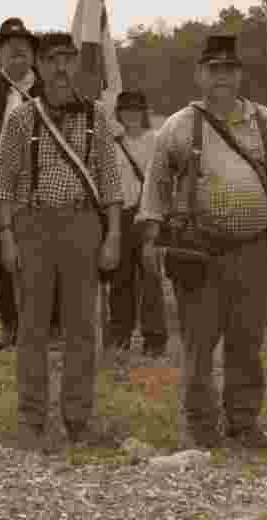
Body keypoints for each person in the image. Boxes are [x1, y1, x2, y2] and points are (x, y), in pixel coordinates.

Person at [138, 34, 267, 450]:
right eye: (213, 70)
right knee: (198, 344)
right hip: (199, 253)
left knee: (247, 342)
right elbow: (156, 184)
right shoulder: (178, 125)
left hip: (252, 251)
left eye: (228, 70)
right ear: (199, 76)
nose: (221, 78)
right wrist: (151, 238)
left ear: (240, 75)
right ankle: (201, 425)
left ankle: (243, 423)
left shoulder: (266, 122)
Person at [0, 30, 122, 448]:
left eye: (68, 59)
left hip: (83, 227)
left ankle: (78, 418)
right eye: (52, 60)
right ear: (40, 67)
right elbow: (4, 185)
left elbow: (111, 183)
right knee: (31, 328)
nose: (61, 67)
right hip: (33, 228)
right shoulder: (20, 119)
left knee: (82, 328)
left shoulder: (97, 116)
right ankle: (31, 419)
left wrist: (113, 236)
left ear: (75, 65)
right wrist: (7, 236)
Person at [0, 17, 60, 351]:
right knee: (2, 260)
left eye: (24, 51)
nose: (17, 56)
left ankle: (51, 328)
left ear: (34, 56)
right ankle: (10, 327)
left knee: (46, 256)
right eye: (10, 50)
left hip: (45, 185)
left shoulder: (51, 90)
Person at [106, 89, 167, 357]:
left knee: (151, 278)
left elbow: (164, 179)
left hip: (148, 214)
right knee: (121, 279)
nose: (131, 115)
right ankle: (120, 333)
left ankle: (154, 338)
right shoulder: (111, 143)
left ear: (144, 113)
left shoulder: (156, 141)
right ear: (119, 114)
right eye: (126, 110)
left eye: (136, 110)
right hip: (122, 214)